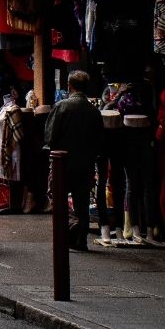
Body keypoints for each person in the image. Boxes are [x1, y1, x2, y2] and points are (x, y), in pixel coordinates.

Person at [45, 69, 104, 251]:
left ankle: (67, 232)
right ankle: (81, 240)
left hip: (62, 163)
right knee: (82, 203)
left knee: (58, 199)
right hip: (85, 163)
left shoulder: (61, 107)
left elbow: (50, 136)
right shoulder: (94, 111)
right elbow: (99, 140)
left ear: (69, 86)